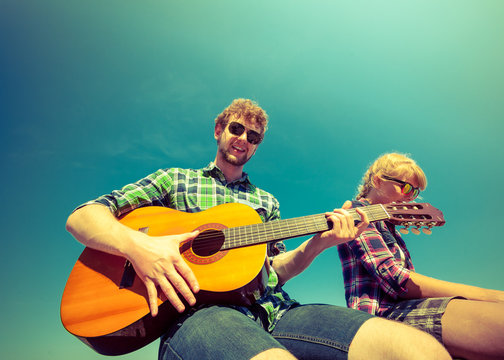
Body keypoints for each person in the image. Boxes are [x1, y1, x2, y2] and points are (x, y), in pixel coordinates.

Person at [66, 100, 451, 360]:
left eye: (253, 137)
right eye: (237, 129)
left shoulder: (266, 204)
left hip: (276, 311)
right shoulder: (174, 179)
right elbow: (83, 216)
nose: (243, 140)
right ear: (219, 129)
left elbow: (273, 271)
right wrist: (139, 248)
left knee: (416, 349)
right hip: (201, 316)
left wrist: (321, 243)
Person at [337, 152, 504, 360]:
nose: (410, 197)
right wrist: (493, 296)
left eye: (415, 192)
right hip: (382, 316)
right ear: (378, 181)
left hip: (401, 310)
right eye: (406, 187)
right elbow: (394, 279)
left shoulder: (388, 226)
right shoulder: (356, 212)